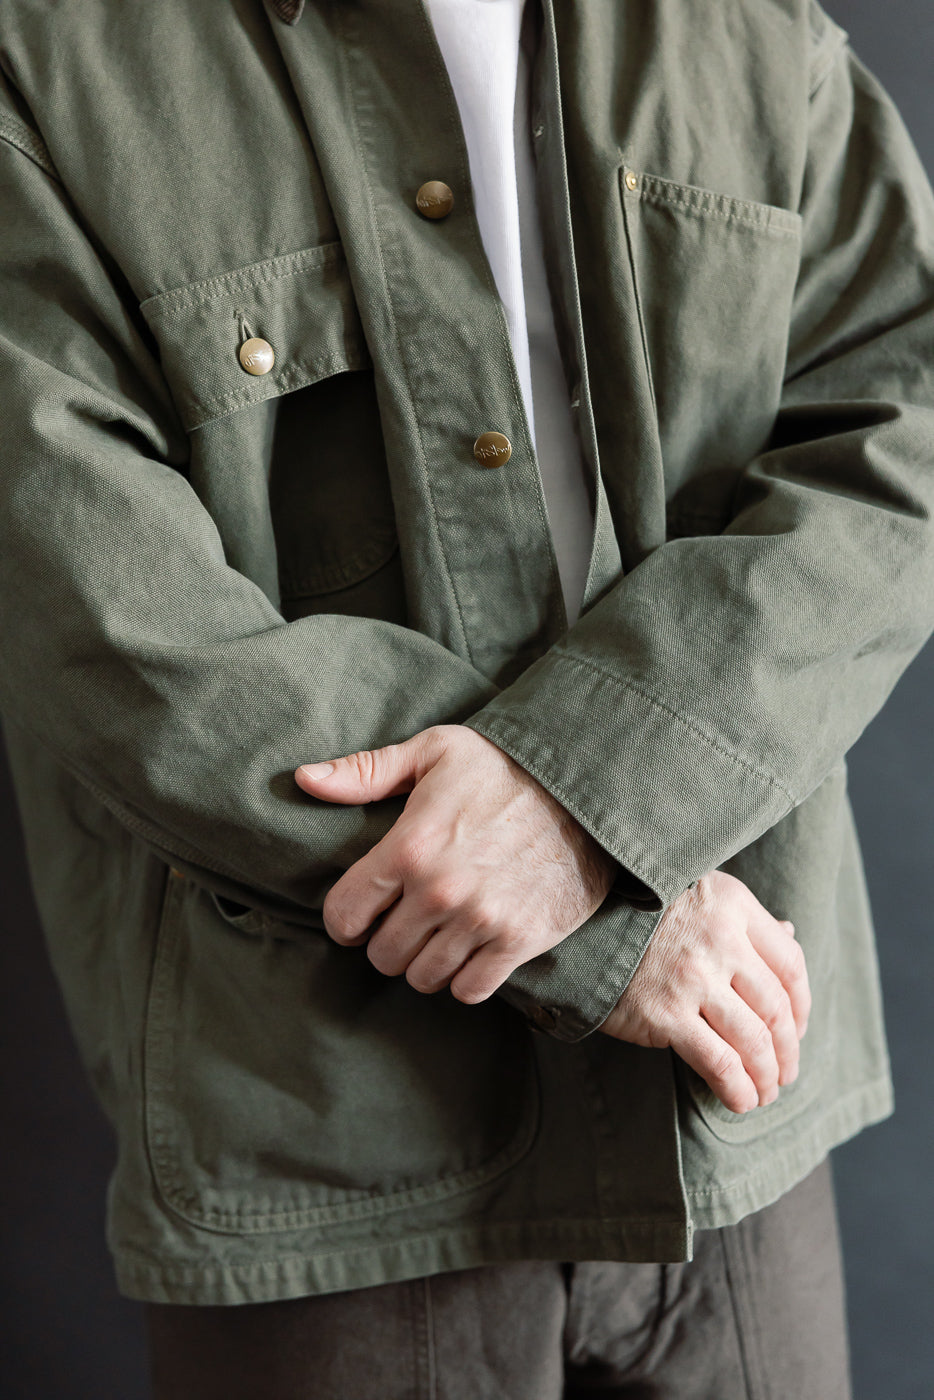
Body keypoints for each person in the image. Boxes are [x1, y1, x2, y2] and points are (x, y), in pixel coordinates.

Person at [0, 0, 931, 1394]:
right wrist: (617, 925)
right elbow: (98, 613)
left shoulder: (743, 24)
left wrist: (581, 800)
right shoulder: (47, 55)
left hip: (727, 1112)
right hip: (333, 1149)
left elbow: (899, 439)